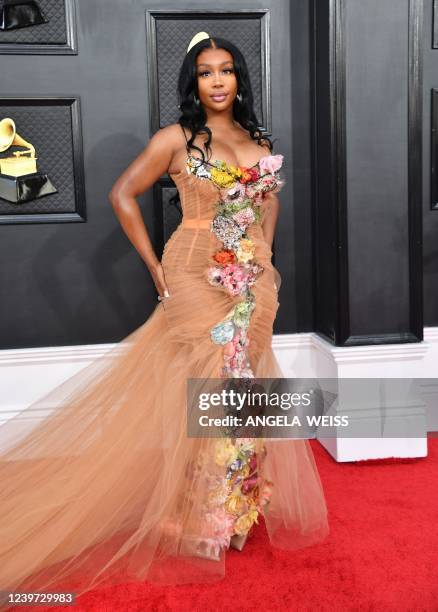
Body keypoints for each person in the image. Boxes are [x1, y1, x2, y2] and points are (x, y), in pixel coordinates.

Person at [0, 32, 329, 605]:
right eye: (206, 72)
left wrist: (265, 257)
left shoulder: (257, 139)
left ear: (239, 79)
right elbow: (122, 193)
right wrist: (156, 266)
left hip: (251, 278)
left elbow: (268, 201)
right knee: (211, 382)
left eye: (227, 70)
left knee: (246, 384)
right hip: (193, 268)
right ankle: (201, 517)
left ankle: (235, 504)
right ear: (193, 82)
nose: (218, 80)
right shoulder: (175, 139)